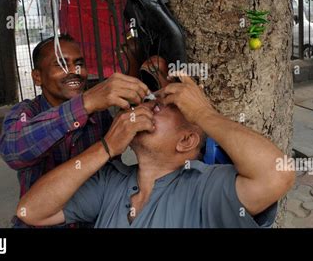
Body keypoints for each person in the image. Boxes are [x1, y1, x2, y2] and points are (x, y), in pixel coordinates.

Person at [16, 74, 295, 228]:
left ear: (186, 141)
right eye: (149, 102)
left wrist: (202, 113)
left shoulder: (204, 188)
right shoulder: (112, 182)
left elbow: (276, 174)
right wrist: (105, 147)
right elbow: (31, 211)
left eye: (160, 107)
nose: (146, 108)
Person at [0, 34, 150, 227]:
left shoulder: (99, 115)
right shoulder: (25, 113)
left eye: (79, 63)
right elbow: (13, 150)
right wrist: (84, 104)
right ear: (37, 77)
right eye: (61, 64)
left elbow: (112, 170)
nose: (74, 71)